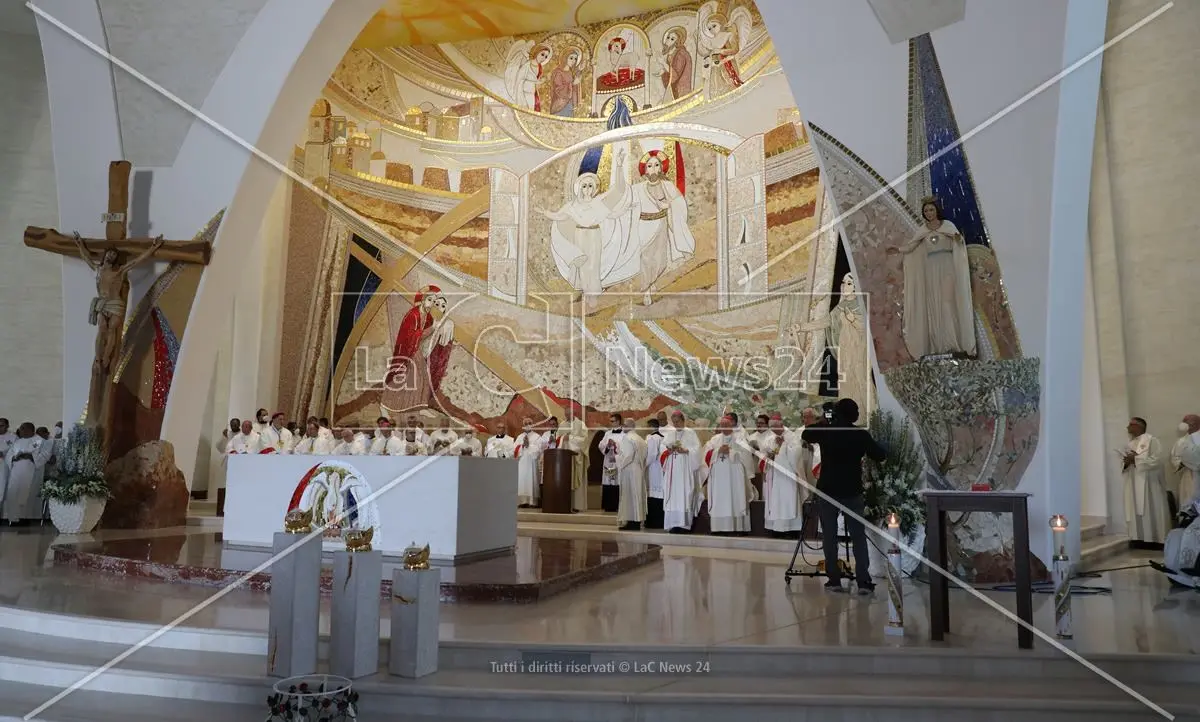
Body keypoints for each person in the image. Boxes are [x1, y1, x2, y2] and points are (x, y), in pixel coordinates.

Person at [801, 398, 886, 594]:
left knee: (829, 537)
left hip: (828, 490)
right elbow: (880, 455)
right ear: (854, 415)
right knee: (857, 536)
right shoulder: (860, 435)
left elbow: (806, 433)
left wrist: (824, 420)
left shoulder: (826, 432)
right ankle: (864, 582)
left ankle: (834, 580)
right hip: (852, 490)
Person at [890, 196, 977, 359]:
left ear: (937, 210)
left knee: (947, 303)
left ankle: (954, 344)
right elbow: (912, 246)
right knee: (934, 304)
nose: (929, 213)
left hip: (947, 268)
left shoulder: (948, 226)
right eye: (926, 211)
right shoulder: (923, 230)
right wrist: (898, 249)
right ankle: (939, 345)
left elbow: (957, 239)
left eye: (931, 209)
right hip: (931, 269)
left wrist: (958, 239)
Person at [701, 415, 754, 534]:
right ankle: (718, 528)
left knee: (735, 498)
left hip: (734, 476)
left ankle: (736, 527)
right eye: (722, 425)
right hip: (718, 477)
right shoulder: (714, 439)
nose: (724, 427)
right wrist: (717, 451)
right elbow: (706, 455)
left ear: (732, 426)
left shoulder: (740, 439)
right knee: (719, 499)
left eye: (727, 425)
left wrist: (731, 452)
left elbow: (746, 456)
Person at [1122, 416, 1169, 546]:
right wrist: (1126, 463)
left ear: (1139, 426)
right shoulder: (1129, 444)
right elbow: (1124, 464)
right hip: (1133, 482)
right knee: (1134, 508)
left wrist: (1136, 460)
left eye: (1130, 424)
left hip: (1150, 482)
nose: (1127, 427)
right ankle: (1138, 538)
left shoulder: (1152, 441)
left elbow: (1158, 460)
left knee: (1151, 508)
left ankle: (1155, 539)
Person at [761, 415, 806, 534]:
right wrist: (769, 455)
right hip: (774, 475)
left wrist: (784, 445)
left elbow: (796, 453)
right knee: (775, 500)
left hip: (788, 474)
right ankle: (776, 529)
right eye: (771, 428)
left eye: (775, 428)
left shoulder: (792, 436)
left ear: (781, 425)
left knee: (788, 499)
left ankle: (792, 529)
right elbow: (765, 452)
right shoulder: (771, 437)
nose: (773, 431)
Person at [659, 410, 702, 532]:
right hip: (672, 470)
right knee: (672, 496)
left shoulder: (691, 433)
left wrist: (686, 450)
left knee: (684, 495)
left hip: (684, 470)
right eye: (674, 422)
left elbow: (697, 449)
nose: (676, 424)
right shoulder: (670, 434)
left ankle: (684, 524)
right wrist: (668, 450)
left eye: (677, 421)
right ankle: (673, 524)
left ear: (683, 420)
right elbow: (662, 448)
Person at [616, 419, 647, 530]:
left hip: (629, 469)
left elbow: (627, 455)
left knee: (629, 495)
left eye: (624, 425)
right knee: (636, 495)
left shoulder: (627, 438)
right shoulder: (640, 439)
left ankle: (631, 521)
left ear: (630, 426)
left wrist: (617, 460)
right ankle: (637, 520)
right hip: (638, 468)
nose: (622, 427)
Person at [1170, 414, 1200, 515]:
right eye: (1184, 422)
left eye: (1188, 422)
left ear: (1197, 423)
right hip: (1188, 477)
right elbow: (1175, 459)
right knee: (1188, 506)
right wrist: (1184, 461)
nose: (1185, 425)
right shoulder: (1181, 442)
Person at [599, 413, 625, 512]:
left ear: (618, 421)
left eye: (613, 421)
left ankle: (619, 505)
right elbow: (601, 445)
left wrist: (616, 445)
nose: (611, 423)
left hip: (618, 461)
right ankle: (609, 505)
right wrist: (608, 445)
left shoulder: (624, 434)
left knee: (617, 481)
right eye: (610, 421)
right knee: (609, 481)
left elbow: (626, 447)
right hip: (609, 461)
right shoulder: (608, 433)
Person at [644, 418, 666, 528]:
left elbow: (651, 454)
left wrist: (643, 465)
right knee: (659, 493)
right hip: (660, 468)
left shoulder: (652, 438)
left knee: (653, 493)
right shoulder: (663, 437)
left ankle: (653, 522)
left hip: (653, 468)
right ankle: (660, 520)